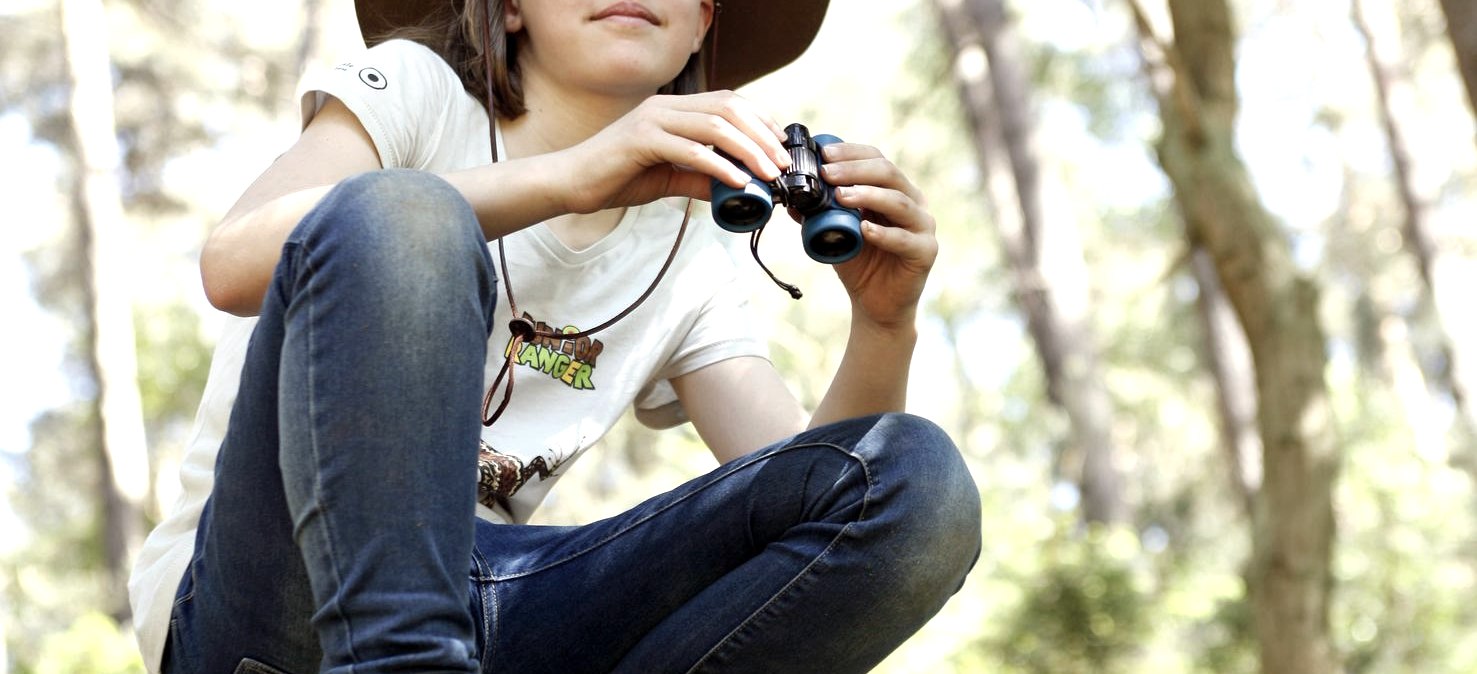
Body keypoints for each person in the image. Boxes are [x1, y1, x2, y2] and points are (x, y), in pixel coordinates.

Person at [129, 0, 982, 672]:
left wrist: (883, 320)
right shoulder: (418, 92)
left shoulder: (692, 245)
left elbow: (821, 486)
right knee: (404, 212)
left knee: (914, 481)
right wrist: (571, 178)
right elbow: (233, 262)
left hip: (491, 609)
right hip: (274, 598)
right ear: (508, 8)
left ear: (701, 23)